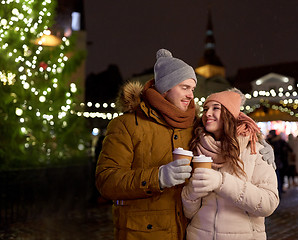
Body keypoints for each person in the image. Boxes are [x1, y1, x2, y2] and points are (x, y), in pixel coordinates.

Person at [95, 49, 275, 240]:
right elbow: (106, 181)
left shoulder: (195, 125)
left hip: (187, 232)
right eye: (185, 87)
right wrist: (158, 177)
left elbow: (232, 126)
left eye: (192, 89)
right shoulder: (127, 124)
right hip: (144, 233)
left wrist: (261, 142)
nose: (191, 95)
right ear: (166, 88)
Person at [181, 88, 279, 240]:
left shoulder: (254, 150)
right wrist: (192, 193)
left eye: (216, 108)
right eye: (206, 108)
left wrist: (221, 182)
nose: (207, 114)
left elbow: (268, 204)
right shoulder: (197, 148)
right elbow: (190, 213)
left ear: (229, 113)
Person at [266, 129, 289, 198]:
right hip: (280, 162)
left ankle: (278, 194)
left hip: (276, 162)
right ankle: (279, 192)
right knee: (279, 178)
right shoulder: (280, 141)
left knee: (277, 179)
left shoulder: (272, 142)